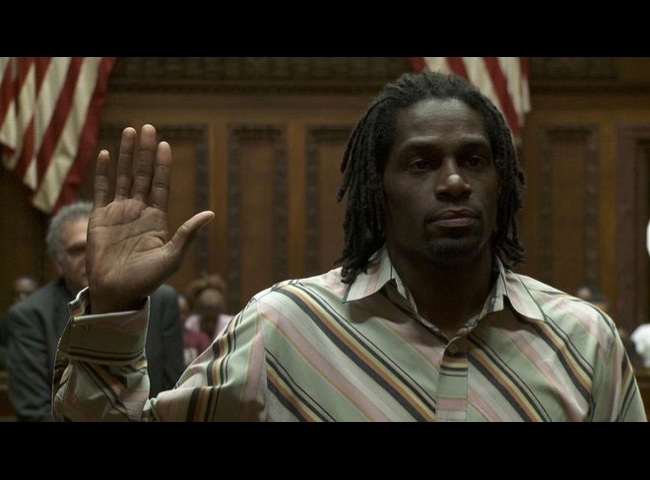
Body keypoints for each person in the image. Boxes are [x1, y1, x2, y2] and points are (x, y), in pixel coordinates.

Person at [52, 70, 646, 421]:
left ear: (502, 183)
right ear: (375, 189)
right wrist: (113, 307)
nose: (454, 182)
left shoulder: (583, 341)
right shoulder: (286, 329)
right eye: (421, 163)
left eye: (473, 160)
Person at [5, 200, 185, 422]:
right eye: (78, 250)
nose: (92, 256)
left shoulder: (161, 301)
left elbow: (175, 395)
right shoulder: (31, 316)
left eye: (99, 245)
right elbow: (35, 412)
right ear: (58, 262)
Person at [0, 275, 40, 370]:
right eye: (17, 294)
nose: (21, 297)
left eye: (27, 294)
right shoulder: (6, 319)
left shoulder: (46, 320)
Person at [184, 274, 233, 341]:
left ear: (220, 314)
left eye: (214, 320)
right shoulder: (191, 323)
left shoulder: (229, 324)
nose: (210, 325)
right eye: (206, 320)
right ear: (200, 313)